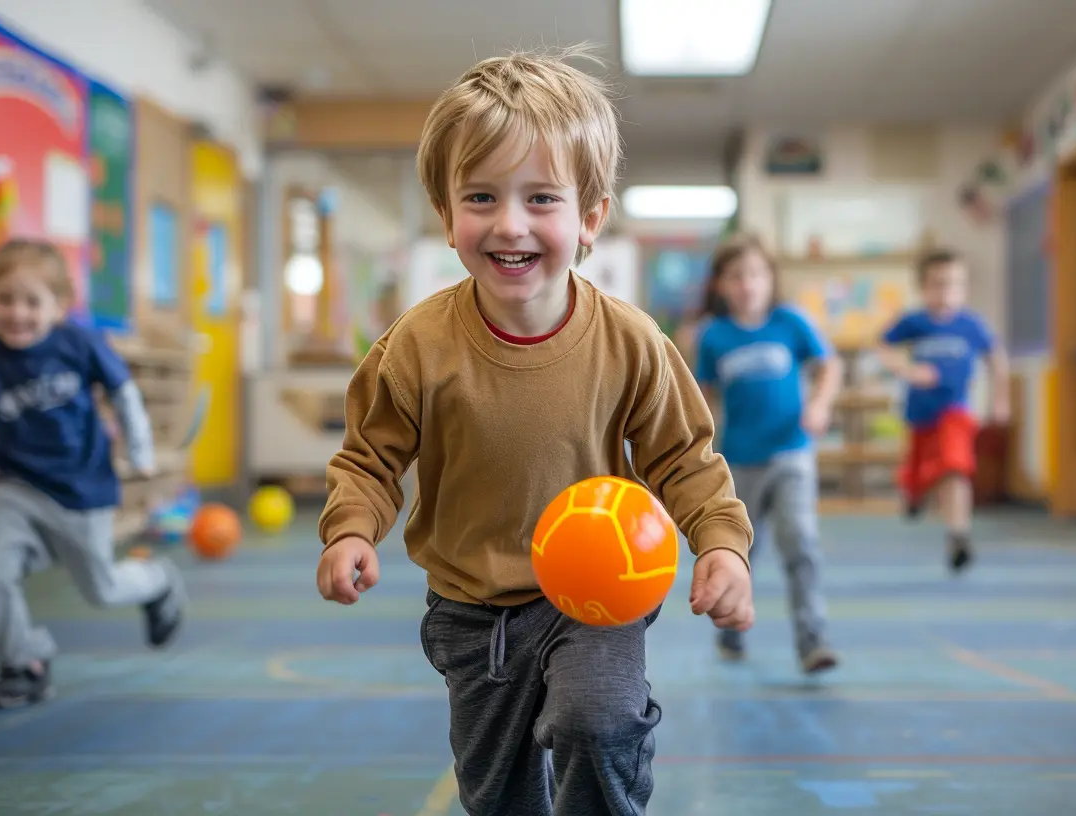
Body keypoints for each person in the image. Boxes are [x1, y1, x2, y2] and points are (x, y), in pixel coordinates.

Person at [314, 46, 754, 815]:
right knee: (500, 796)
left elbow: (684, 455)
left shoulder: (630, 341)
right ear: (447, 217)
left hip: (598, 595)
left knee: (597, 720)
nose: (509, 223)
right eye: (481, 197)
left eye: (541, 199)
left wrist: (720, 542)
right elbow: (372, 456)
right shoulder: (418, 345)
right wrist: (351, 528)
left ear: (589, 218)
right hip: (472, 607)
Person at [0, 238, 187, 710]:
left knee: (102, 589)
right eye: (4, 300)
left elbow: (125, 394)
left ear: (59, 305)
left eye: (32, 301)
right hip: (12, 487)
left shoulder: (78, 343)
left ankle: (158, 580)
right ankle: (24, 663)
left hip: (81, 491)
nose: (17, 313)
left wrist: (140, 450)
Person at [693, 233, 842, 673]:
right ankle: (732, 628)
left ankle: (812, 641)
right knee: (740, 551)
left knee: (801, 543)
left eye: (756, 274)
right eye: (736, 276)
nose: (747, 285)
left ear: (770, 279)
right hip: (739, 462)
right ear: (720, 284)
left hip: (791, 454)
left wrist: (818, 404)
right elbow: (703, 398)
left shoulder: (790, 323)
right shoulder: (713, 336)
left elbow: (829, 366)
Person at [879, 249, 1009, 573]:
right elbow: (882, 346)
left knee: (955, 467)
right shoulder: (915, 322)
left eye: (953, 285)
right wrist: (908, 370)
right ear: (923, 288)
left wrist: (1000, 400)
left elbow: (997, 360)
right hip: (921, 414)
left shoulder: (971, 325)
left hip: (956, 412)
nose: (946, 293)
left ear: (963, 289)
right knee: (917, 478)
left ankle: (958, 534)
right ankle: (914, 494)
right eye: (937, 285)